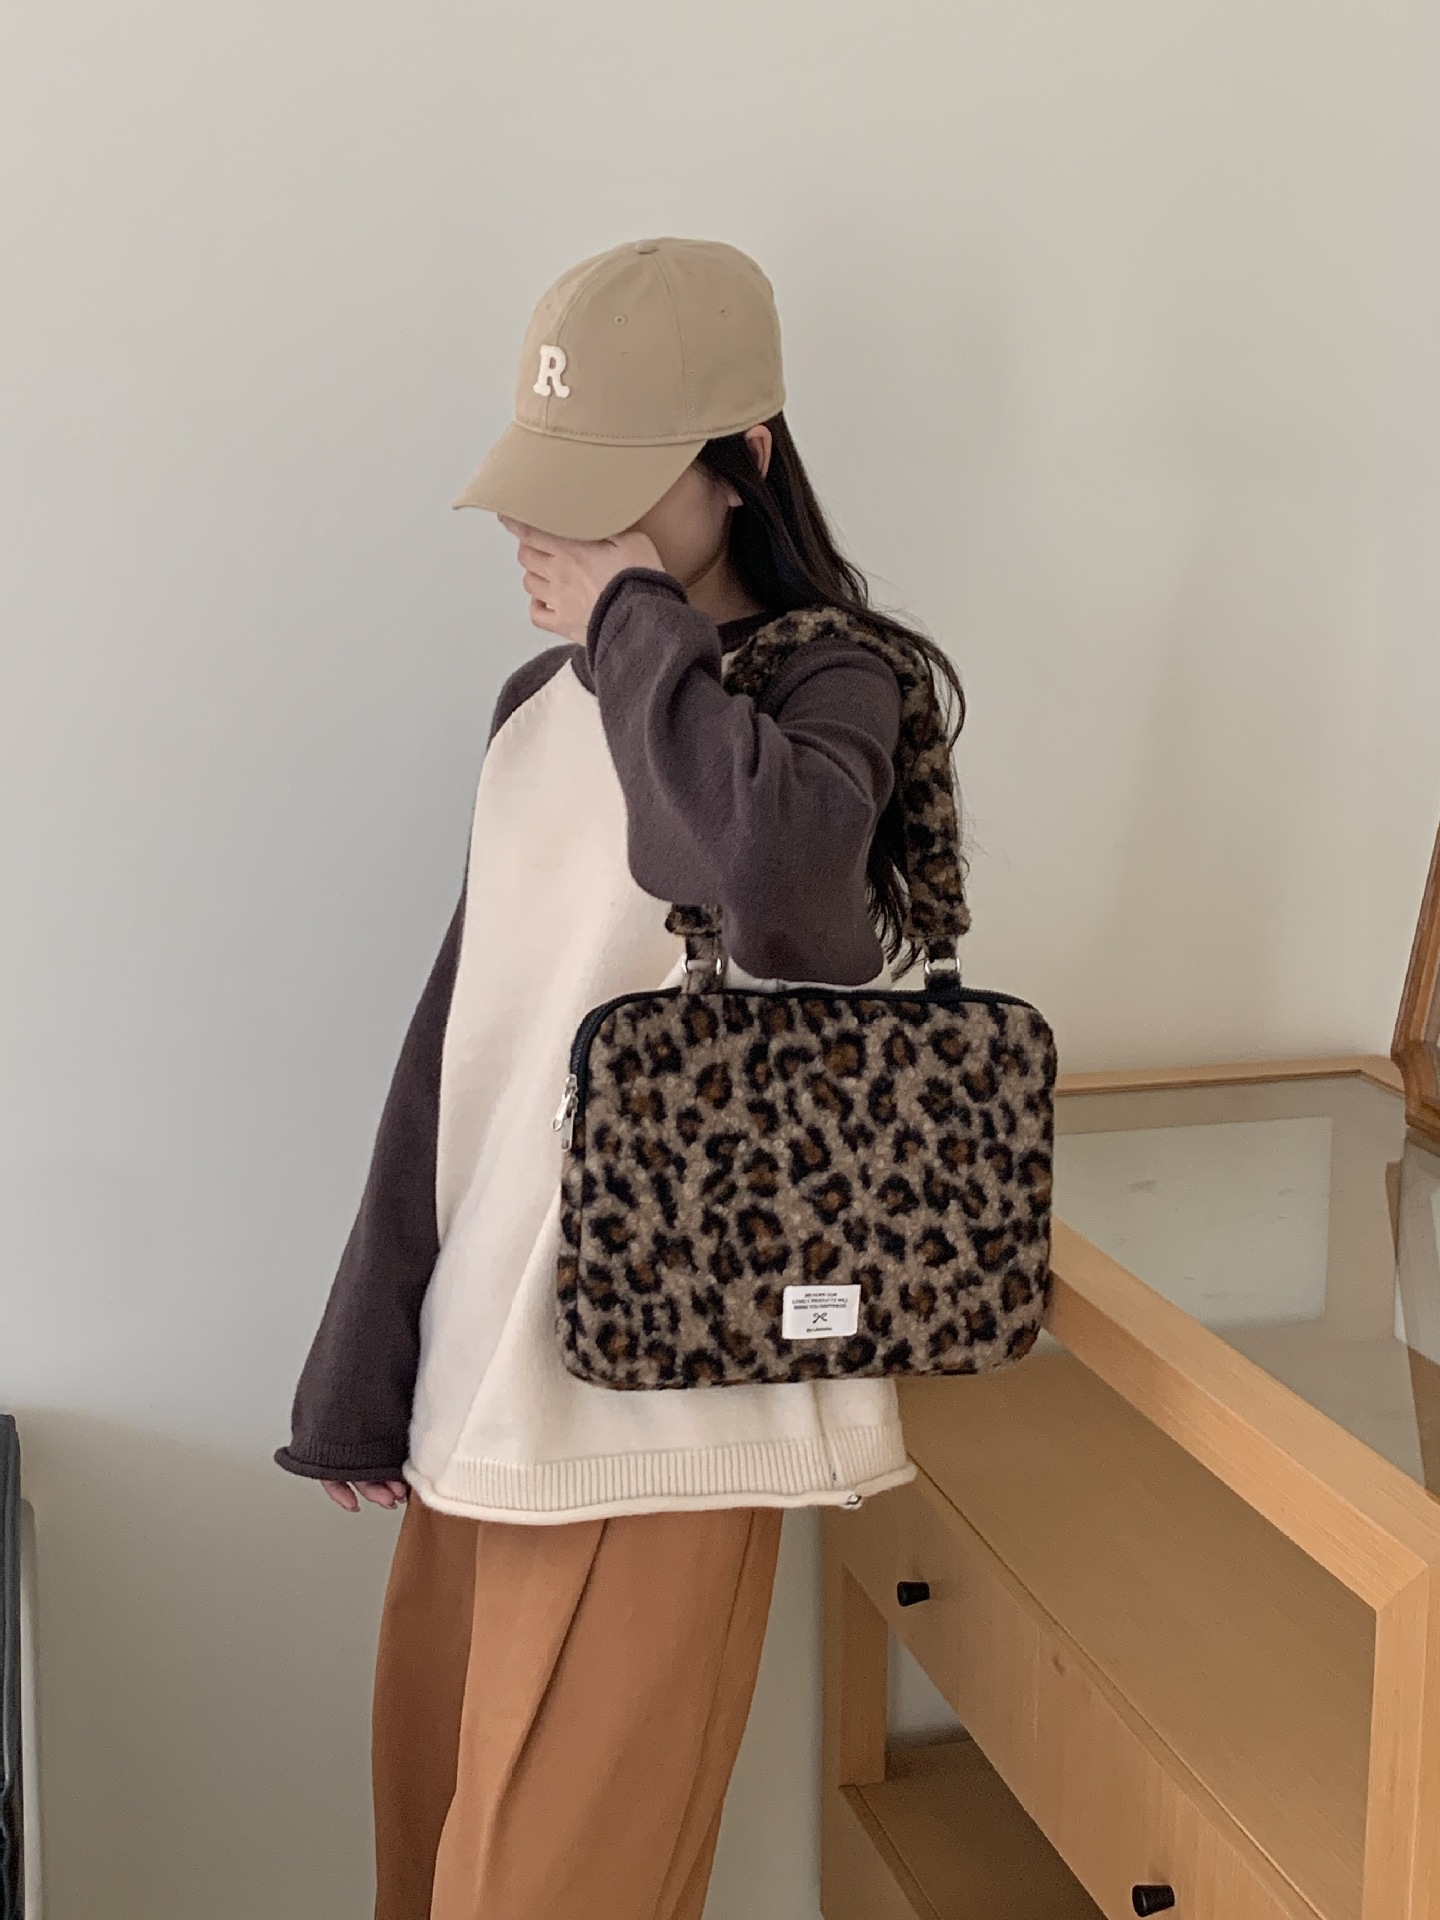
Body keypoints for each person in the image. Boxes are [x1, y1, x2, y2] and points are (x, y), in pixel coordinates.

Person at [274, 235, 968, 1920]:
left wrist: (634, 620)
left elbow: (777, 889)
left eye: (606, 489)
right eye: (544, 483)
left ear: (747, 464)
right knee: (429, 1868)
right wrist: (368, 1353)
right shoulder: (541, 705)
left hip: (674, 1402)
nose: (553, 530)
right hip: (486, 1382)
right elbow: (467, 1046)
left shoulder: (830, 683)